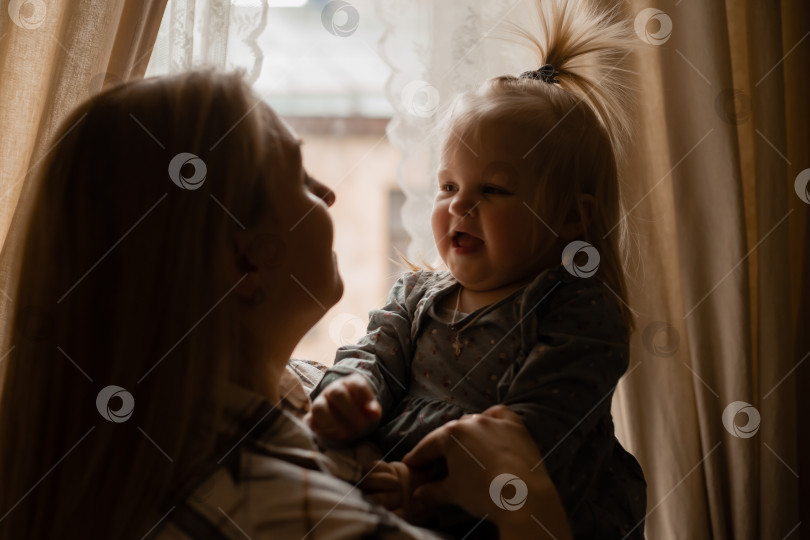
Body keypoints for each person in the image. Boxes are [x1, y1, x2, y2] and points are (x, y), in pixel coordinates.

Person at [0, 70, 572, 539]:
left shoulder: (253, 411)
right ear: (247, 263)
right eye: (299, 177)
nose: (328, 193)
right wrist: (531, 505)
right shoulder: (293, 517)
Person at [306, 0, 647, 537]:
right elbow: (373, 354)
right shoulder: (417, 296)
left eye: (491, 190)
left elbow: (531, 437)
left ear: (570, 218)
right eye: (448, 187)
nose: (458, 207)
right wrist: (347, 393)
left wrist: (417, 482)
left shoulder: (578, 311)